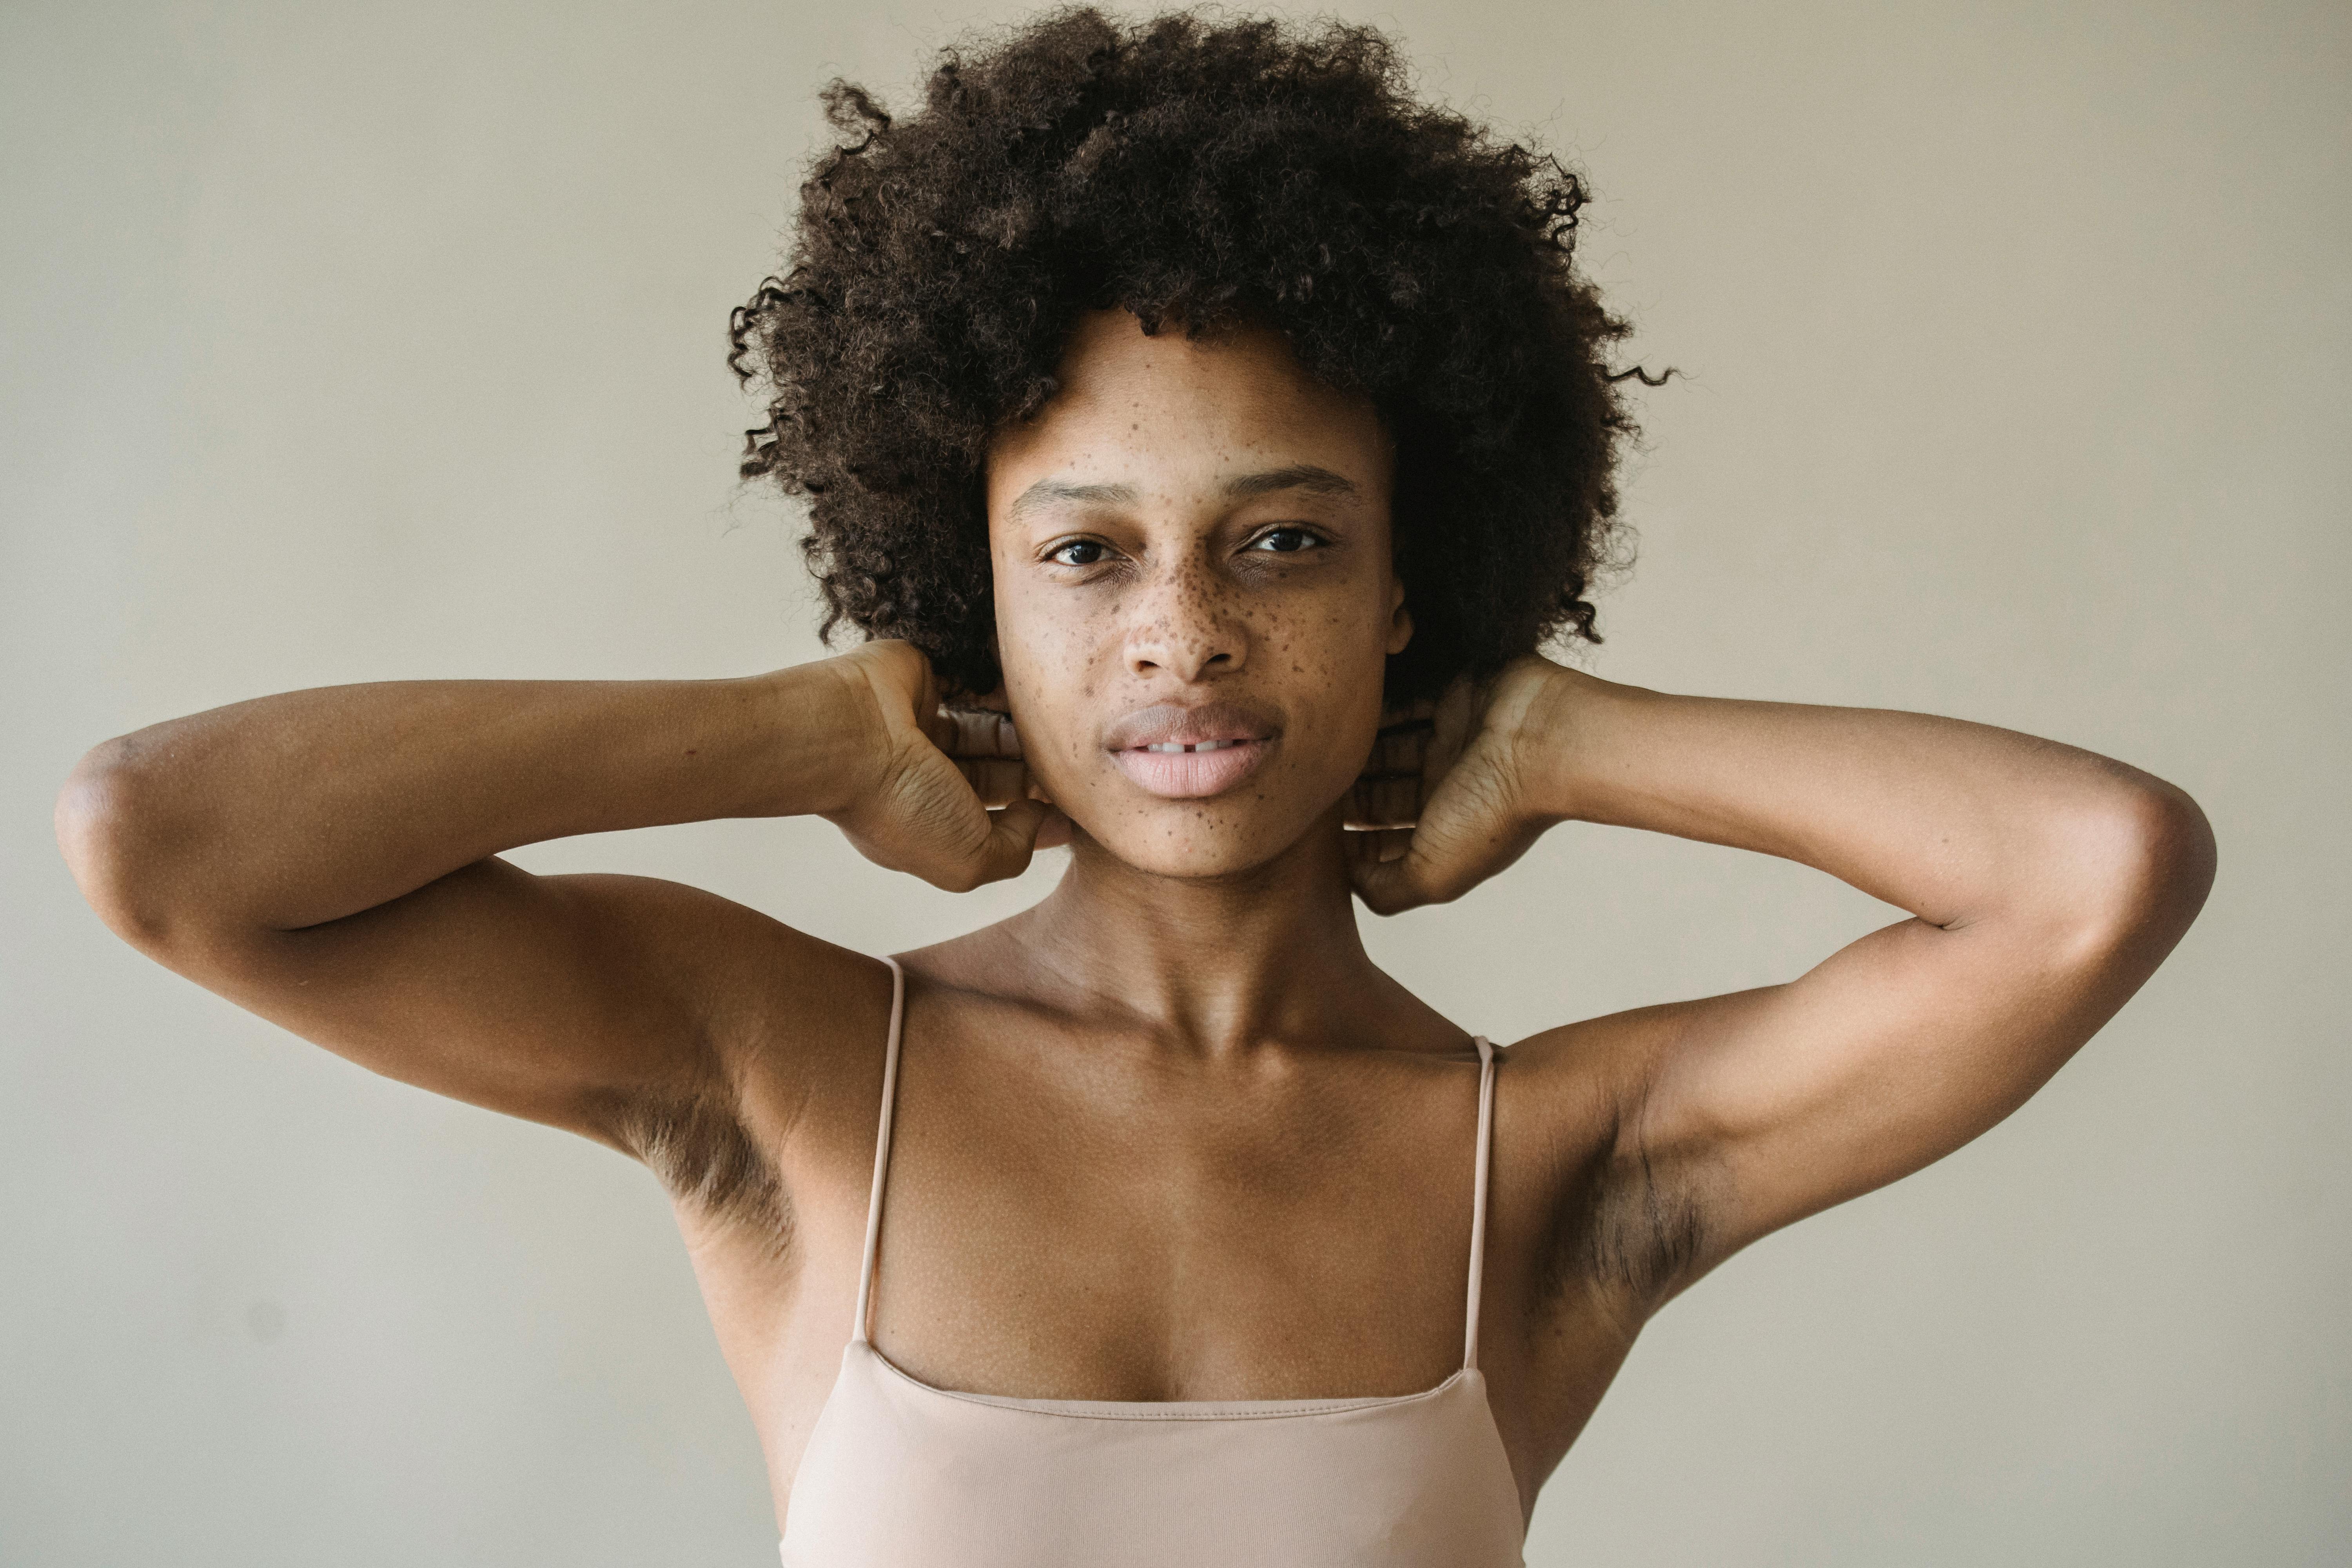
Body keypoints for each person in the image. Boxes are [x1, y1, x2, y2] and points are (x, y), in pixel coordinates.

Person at [54, 9, 2214, 1565]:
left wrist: (1553, 735)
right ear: (966, 591)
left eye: (1285, 542)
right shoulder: (794, 1072)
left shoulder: (1561, 1158)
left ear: (1406, 580)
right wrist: (799, 734)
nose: (1180, 633)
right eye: (1083, 554)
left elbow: (2096, 874)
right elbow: (163, 842)